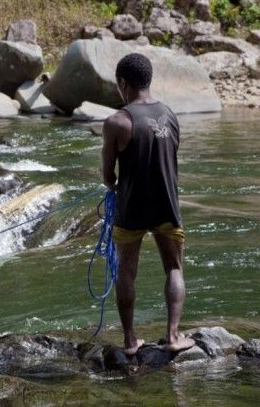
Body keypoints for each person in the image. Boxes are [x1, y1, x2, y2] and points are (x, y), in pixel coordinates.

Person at [102, 53, 195, 356]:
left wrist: (113, 184)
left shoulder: (117, 121)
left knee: (127, 273)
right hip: (167, 205)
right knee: (174, 268)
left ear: (123, 83)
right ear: (149, 80)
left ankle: (130, 342)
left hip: (131, 210)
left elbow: (108, 174)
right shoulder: (169, 115)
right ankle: (173, 335)